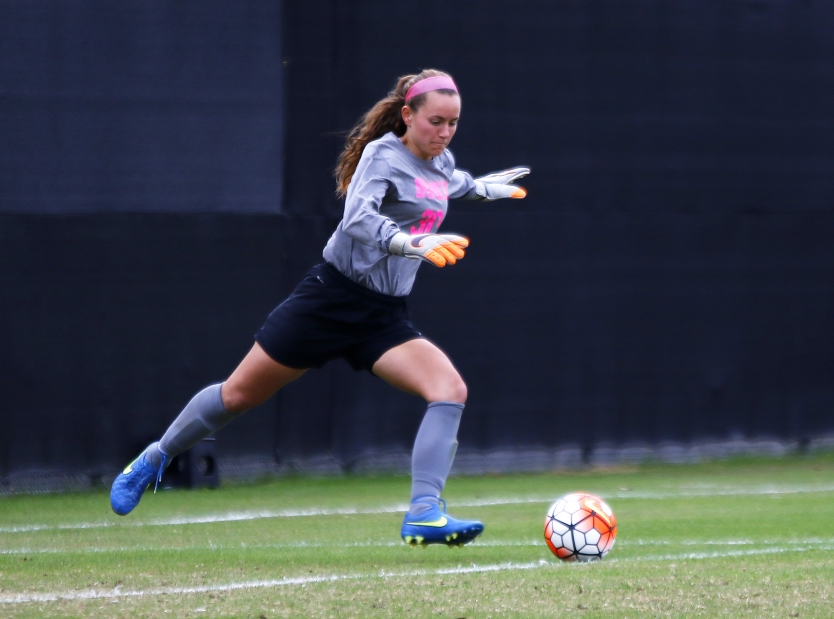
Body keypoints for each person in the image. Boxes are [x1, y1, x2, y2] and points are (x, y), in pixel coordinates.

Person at [109, 69, 529, 548]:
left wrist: (480, 187)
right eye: (436, 121)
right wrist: (409, 243)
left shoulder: (440, 160)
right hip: (330, 300)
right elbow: (357, 219)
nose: (445, 132)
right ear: (407, 115)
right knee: (237, 396)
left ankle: (424, 513)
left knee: (449, 390)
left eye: (453, 123)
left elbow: (444, 181)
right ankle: (155, 458)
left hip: (383, 316)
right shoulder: (381, 155)